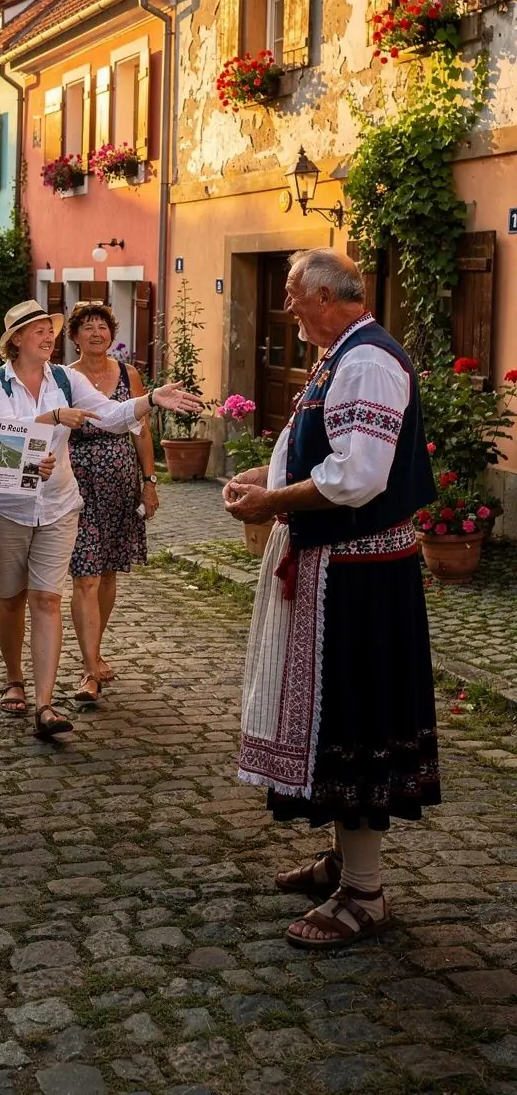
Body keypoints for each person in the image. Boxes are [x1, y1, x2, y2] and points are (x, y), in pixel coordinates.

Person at [224, 249, 440, 950]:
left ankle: (365, 893)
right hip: (338, 571)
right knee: (332, 725)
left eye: (292, 294)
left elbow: (358, 477)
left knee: (352, 725)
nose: (286, 306)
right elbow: (322, 452)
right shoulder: (340, 356)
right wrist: (268, 475)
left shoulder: (368, 362)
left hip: (360, 580)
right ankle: (347, 862)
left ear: (324, 294)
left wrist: (271, 504)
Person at [0, 299, 203, 740]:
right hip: (7, 507)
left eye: (50, 329)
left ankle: (44, 704)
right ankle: (13, 678)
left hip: (60, 504)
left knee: (47, 599)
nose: (49, 336)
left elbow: (112, 416)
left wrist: (150, 399)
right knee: (11, 597)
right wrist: (55, 417)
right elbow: (2, 435)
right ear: (16, 340)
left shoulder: (66, 378)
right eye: (39, 330)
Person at [66, 301, 159, 700]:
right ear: (74, 337)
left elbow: (140, 430)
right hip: (77, 486)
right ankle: (89, 670)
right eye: (87, 327)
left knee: (107, 573)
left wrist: (150, 480)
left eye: (101, 326)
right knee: (85, 573)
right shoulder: (64, 378)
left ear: (111, 333)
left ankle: (95, 649)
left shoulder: (129, 374)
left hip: (120, 486)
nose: (96, 333)